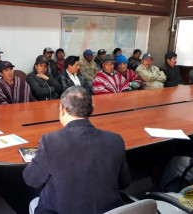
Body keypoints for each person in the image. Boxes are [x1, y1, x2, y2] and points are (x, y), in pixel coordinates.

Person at [23, 86, 131, 214]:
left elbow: (31, 179)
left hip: (60, 210)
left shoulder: (50, 140)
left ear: (62, 109)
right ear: (92, 109)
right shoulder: (115, 140)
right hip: (109, 210)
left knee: (35, 201)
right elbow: (124, 183)